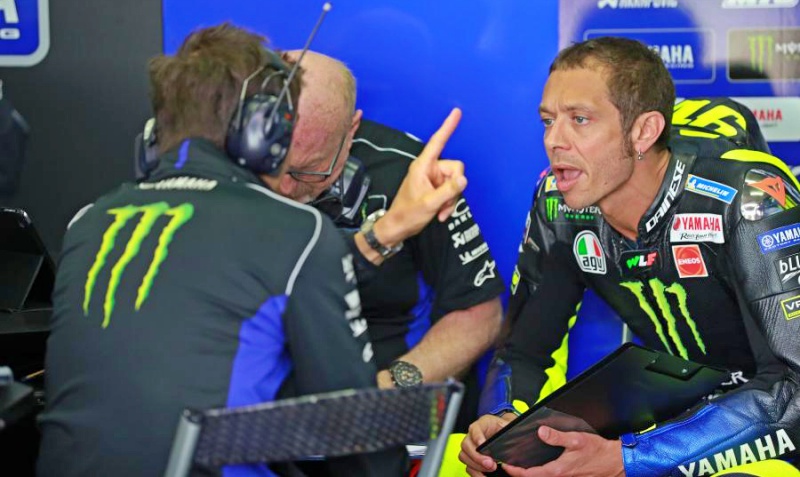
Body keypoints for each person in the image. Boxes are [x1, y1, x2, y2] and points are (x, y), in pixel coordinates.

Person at [36, 24, 467, 477]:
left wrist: (385, 231)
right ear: (263, 133)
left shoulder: (87, 223)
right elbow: (358, 440)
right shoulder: (298, 231)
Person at [460, 36, 800, 477]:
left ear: (643, 132)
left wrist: (630, 458)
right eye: (547, 121)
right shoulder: (558, 204)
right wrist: (504, 421)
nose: (553, 140)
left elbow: (795, 390)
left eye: (580, 119)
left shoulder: (749, 199)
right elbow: (522, 352)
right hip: (683, 425)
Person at [274, 50, 505, 430]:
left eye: (311, 171)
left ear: (351, 129)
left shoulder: (409, 172)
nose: (286, 187)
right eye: (277, 164)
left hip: (379, 400)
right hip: (264, 401)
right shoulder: (224, 167)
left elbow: (479, 315)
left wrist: (387, 392)